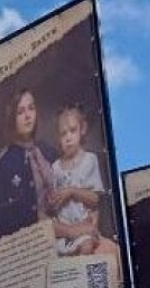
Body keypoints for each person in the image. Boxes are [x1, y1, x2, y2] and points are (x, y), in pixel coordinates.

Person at [0, 88, 58, 245]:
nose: (28, 116)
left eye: (31, 108)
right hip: (33, 245)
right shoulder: (1, 168)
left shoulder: (48, 151)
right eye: (20, 112)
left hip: (63, 229)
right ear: (11, 118)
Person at [41, 104, 118, 256]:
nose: (68, 138)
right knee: (53, 251)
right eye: (63, 134)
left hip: (85, 227)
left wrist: (71, 191)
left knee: (87, 245)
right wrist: (52, 200)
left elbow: (95, 199)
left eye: (72, 130)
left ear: (82, 129)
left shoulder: (90, 160)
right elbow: (53, 203)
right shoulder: (55, 167)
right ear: (58, 138)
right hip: (65, 229)